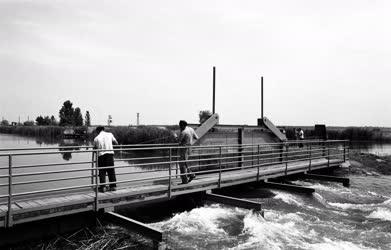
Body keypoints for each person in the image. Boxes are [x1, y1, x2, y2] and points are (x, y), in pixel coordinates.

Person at [93, 126, 118, 192]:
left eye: (96, 131)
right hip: (110, 155)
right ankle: (113, 187)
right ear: (103, 130)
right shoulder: (110, 134)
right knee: (111, 171)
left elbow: (94, 148)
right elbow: (116, 143)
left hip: (101, 156)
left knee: (102, 172)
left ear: (98, 131)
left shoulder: (96, 138)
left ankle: (103, 187)